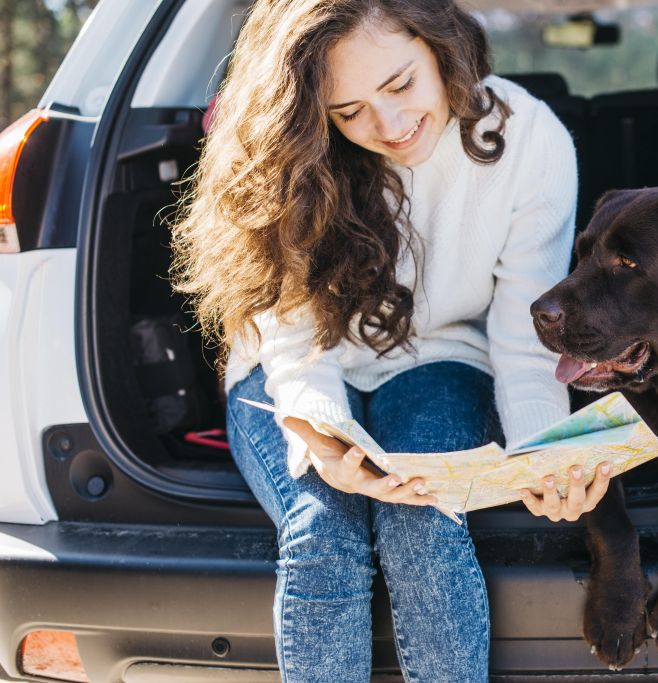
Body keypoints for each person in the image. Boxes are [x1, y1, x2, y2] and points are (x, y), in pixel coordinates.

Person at [170, 1, 610, 681]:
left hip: (440, 354)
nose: (390, 126)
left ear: (439, 44)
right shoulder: (296, 151)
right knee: (324, 530)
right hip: (295, 364)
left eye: (400, 85)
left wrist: (543, 454)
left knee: (425, 523)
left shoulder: (529, 140)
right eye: (349, 111)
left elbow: (524, 338)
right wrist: (319, 430)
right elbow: (286, 328)